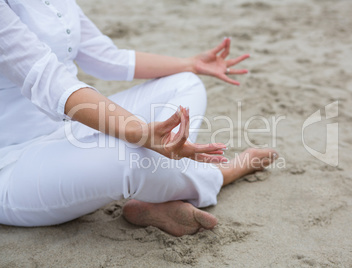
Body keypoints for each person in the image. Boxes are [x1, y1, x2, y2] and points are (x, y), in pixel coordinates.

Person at [0, 1, 278, 236]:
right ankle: (219, 174)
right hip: (13, 164)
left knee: (185, 84)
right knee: (130, 154)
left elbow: (107, 58)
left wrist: (190, 64)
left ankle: (157, 193)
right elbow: (49, 83)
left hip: (71, 130)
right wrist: (138, 131)